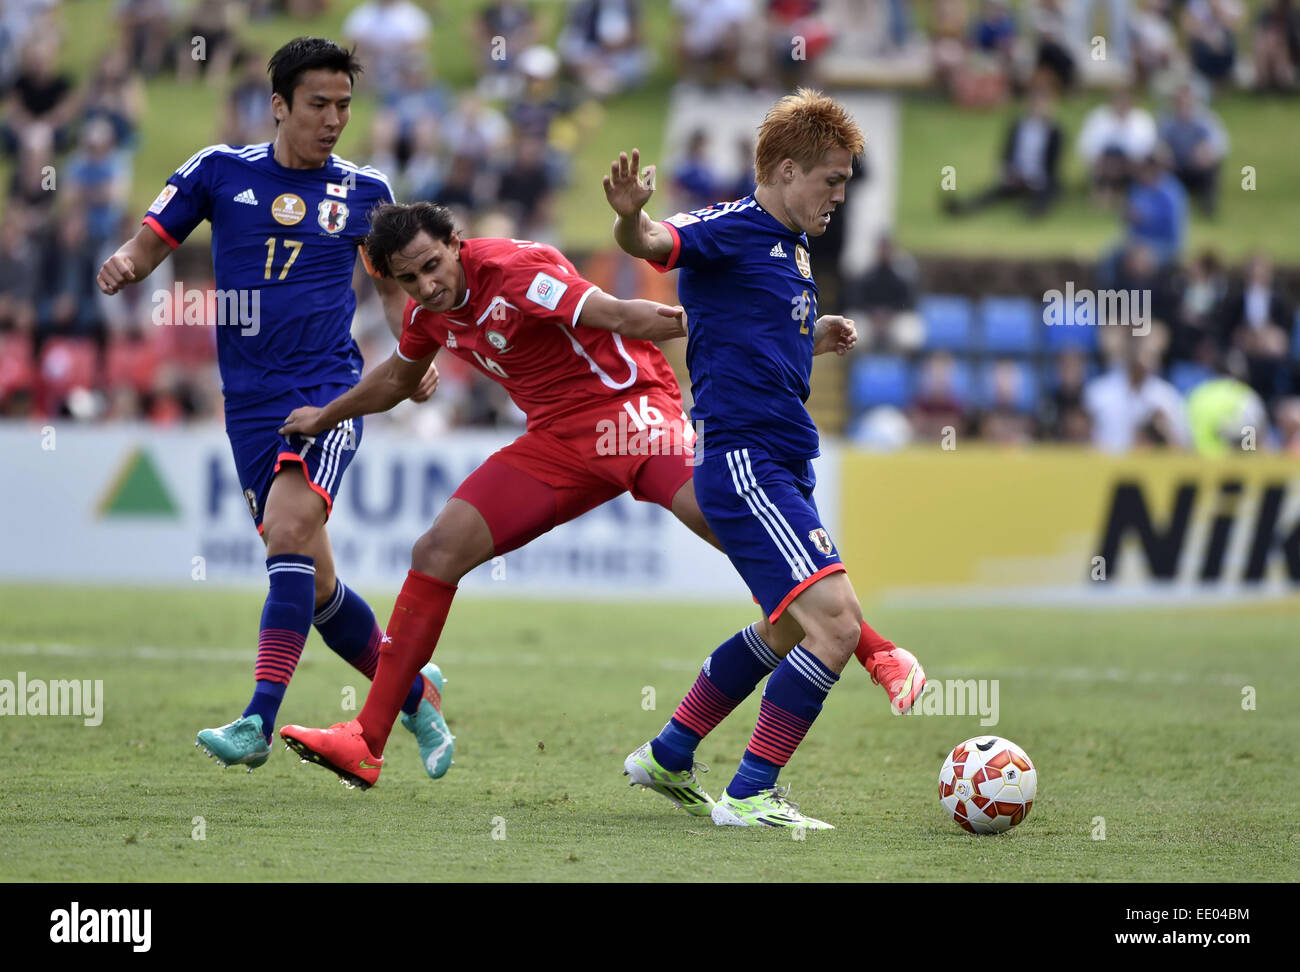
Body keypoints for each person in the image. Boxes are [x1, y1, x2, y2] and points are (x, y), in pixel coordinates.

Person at [94, 37, 452, 780]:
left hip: (328, 390)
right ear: (279, 105)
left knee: (289, 528)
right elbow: (155, 237)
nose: (333, 120)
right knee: (314, 584)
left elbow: (393, 290)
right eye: (318, 104)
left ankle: (258, 717)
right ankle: (415, 698)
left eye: (344, 106)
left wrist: (412, 360)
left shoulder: (366, 191)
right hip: (249, 402)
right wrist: (128, 262)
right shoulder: (219, 171)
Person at [273, 200, 703, 789]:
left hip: (628, 409)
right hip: (556, 439)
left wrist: (746, 326)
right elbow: (398, 380)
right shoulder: (430, 314)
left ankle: (854, 637)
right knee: (436, 550)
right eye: (408, 278)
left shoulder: (514, 272)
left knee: (722, 519)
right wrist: (326, 416)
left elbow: (622, 316)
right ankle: (367, 741)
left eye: (432, 265)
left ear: (455, 243)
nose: (426, 285)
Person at [603, 89, 927, 828]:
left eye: (846, 182)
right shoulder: (731, 226)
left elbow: (742, 329)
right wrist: (628, 216)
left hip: (781, 459)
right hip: (746, 461)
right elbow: (655, 243)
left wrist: (818, 331)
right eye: (832, 180)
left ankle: (669, 752)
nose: (841, 196)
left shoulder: (794, 247)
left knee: (785, 629)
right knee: (837, 629)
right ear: (784, 170)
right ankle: (751, 793)